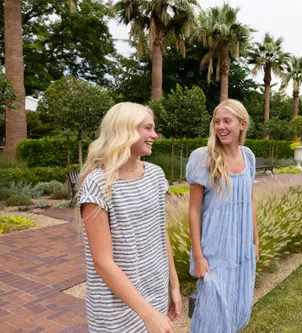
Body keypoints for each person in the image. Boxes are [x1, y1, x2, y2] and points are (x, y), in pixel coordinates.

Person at [78, 102, 181, 333]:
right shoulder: (98, 184)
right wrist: (147, 314)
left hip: (154, 291)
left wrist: (173, 285)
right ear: (124, 130)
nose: (154, 135)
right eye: (147, 128)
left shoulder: (155, 175)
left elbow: (160, 232)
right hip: (117, 307)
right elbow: (102, 262)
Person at [186, 99, 259, 333]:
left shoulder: (248, 157)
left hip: (241, 251)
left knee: (237, 312)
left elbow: (250, 202)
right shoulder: (203, 158)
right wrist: (198, 256)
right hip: (214, 253)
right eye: (217, 122)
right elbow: (194, 210)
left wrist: (255, 243)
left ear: (242, 124)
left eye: (227, 121)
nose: (221, 127)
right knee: (210, 317)